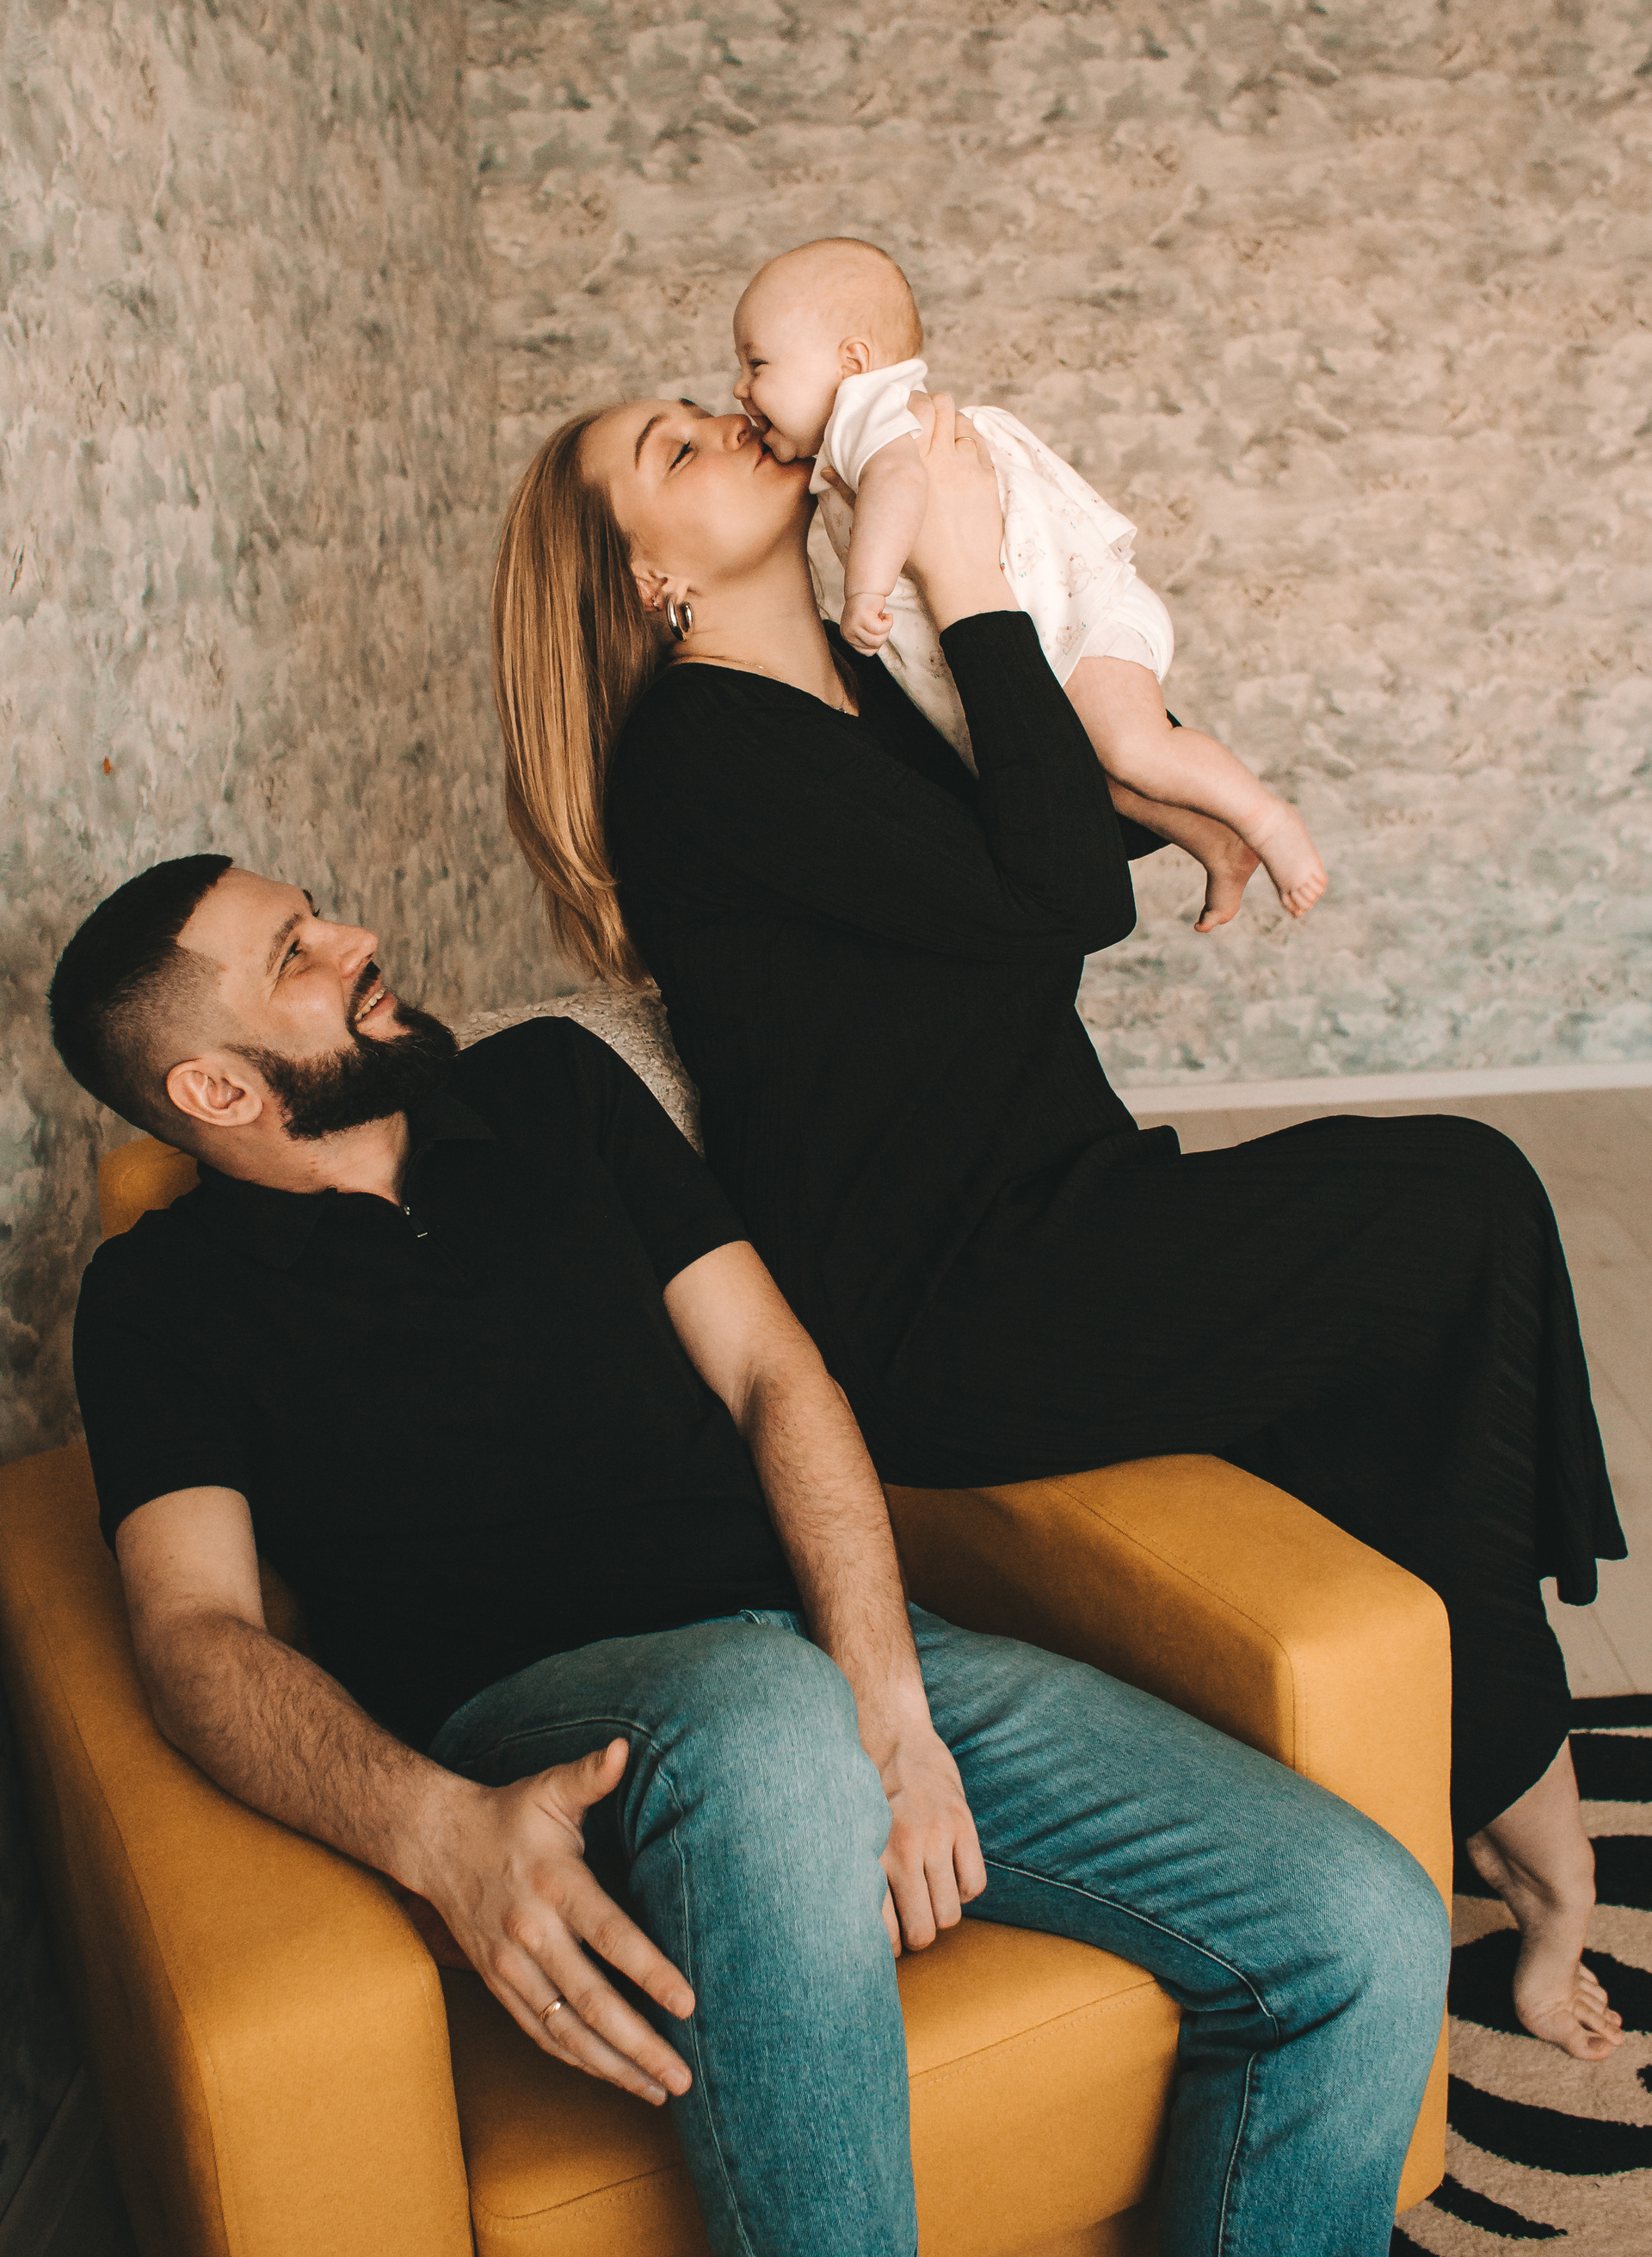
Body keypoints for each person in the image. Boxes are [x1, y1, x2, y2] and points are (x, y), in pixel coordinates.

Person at [51, 855, 1449, 2257]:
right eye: (295, 952)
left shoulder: (552, 1088)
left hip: (830, 1648)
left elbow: (776, 1374)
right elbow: (193, 1631)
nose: (357, 936)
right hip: (554, 1732)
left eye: (319, 913)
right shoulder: (160, 1298)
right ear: (213, 1086)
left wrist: (890, 1705)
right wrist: (438, 1831)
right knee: (766, 1712)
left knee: (1364, 1924)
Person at [490, 383, 1629, 2067]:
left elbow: (1026, 848)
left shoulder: (842, 689)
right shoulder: (699, 755)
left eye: (704, 405)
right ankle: (1528, 1785)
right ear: (648, 581)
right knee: (1457, 1205)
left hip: (1062, 1212)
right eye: (675, 449)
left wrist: (1155, 776)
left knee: (1438, 1286)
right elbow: (1059, 900)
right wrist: (970, 583)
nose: (727, 418)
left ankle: (1502, 1751)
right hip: (948, 1310)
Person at [731, 236, 1326, 926]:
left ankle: (1267, 817)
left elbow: (897, 483)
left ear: (852, 362)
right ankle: (1219, 841)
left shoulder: (867, 414)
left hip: (1081, 615)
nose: (740, 389)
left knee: (1135, 748)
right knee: (1097, 775)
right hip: (1053, 627)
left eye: (757, 363)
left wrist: (865, 588)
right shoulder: (853, 433)